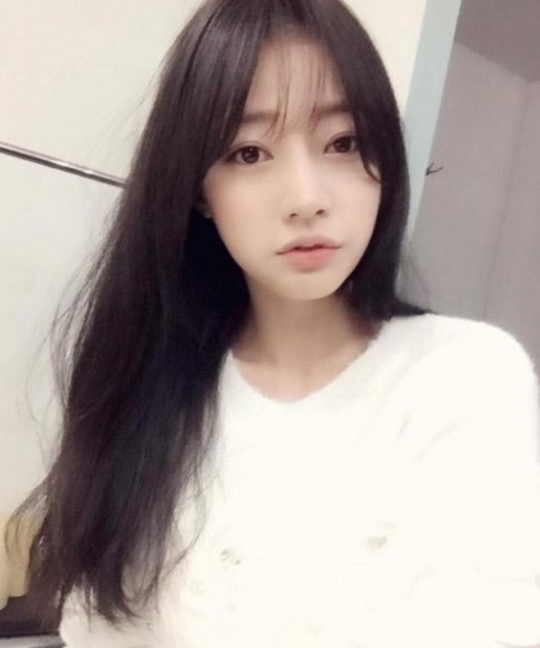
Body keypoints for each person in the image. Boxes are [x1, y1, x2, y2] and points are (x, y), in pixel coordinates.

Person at [7, 0, 540, 646]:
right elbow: (96, 626)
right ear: (199, 189)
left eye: (343, 142)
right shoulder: (145, 388)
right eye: (249, 152)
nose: (306, 198)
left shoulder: (465, 378)